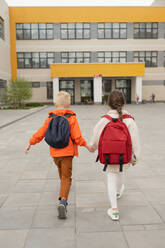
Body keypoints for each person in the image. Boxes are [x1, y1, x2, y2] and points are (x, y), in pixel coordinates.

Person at [25, 91, 92, 219]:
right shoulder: (71, 117)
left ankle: (63, 190)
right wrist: (86, 145)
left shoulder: (50, 118)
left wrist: (30, 143)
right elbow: (77, 137)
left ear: (55, 104)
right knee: (67, 177)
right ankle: (63, 201)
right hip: (67, 153)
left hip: (55, 153)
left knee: (62, 173)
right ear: (68, 105)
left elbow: (40, 133)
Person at [89, 90, 140, 221]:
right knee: (121, 172)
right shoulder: (129, 120)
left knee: (111, 179)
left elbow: (95, 137)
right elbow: (135, 141)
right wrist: (135, 157)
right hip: (124, 157)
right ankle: (119, 191)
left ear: (108, 104)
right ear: (124, 103)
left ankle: (114, 210)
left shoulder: (104, 120)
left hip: (108, 157)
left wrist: (92, 147)